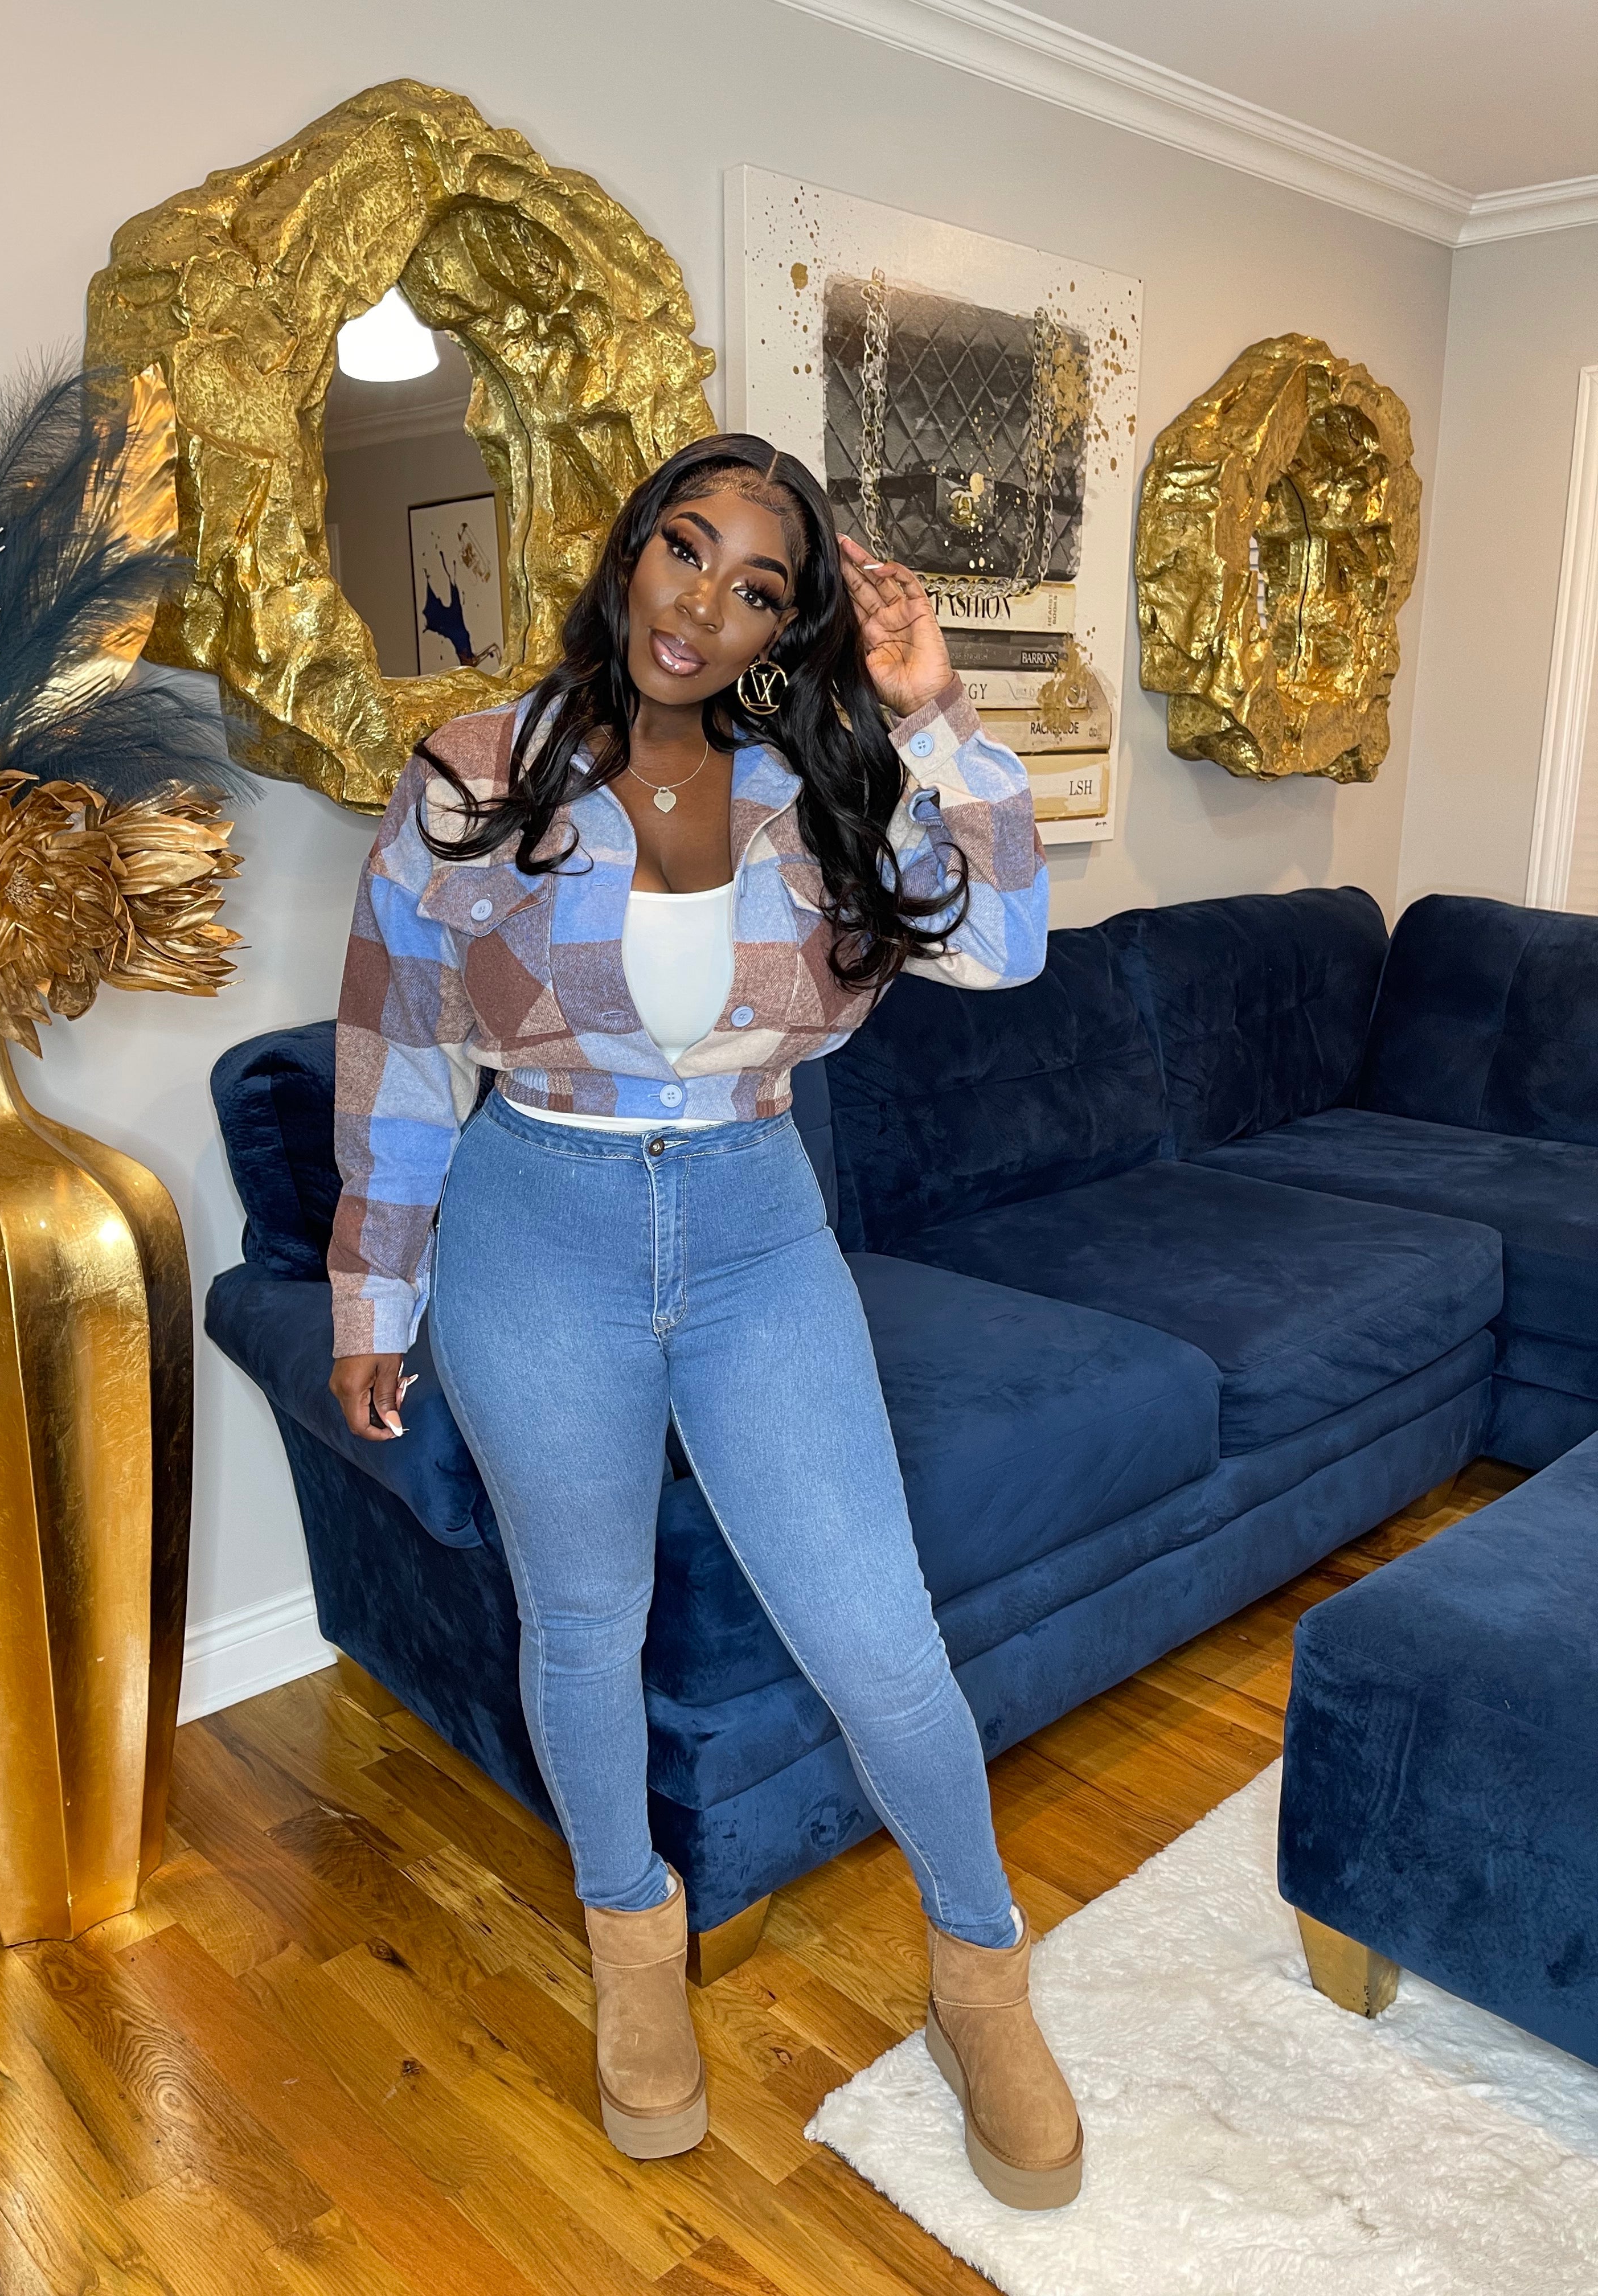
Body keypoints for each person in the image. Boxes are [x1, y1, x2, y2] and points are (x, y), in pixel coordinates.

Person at [327, 434, 1080, 2209]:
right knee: (586, 1625)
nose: (702, 606)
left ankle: (981, 1978)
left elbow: (1009, 944)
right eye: (685, 549)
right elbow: (401, 1047)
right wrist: (375, 1290)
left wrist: (932, 709)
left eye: (758, 587)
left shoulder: (826, 776)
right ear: (630, 551)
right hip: (535, 1229)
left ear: (787, 626)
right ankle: (633, 1948)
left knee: (879, 1639)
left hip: (754, 1225)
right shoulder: (472, 771)